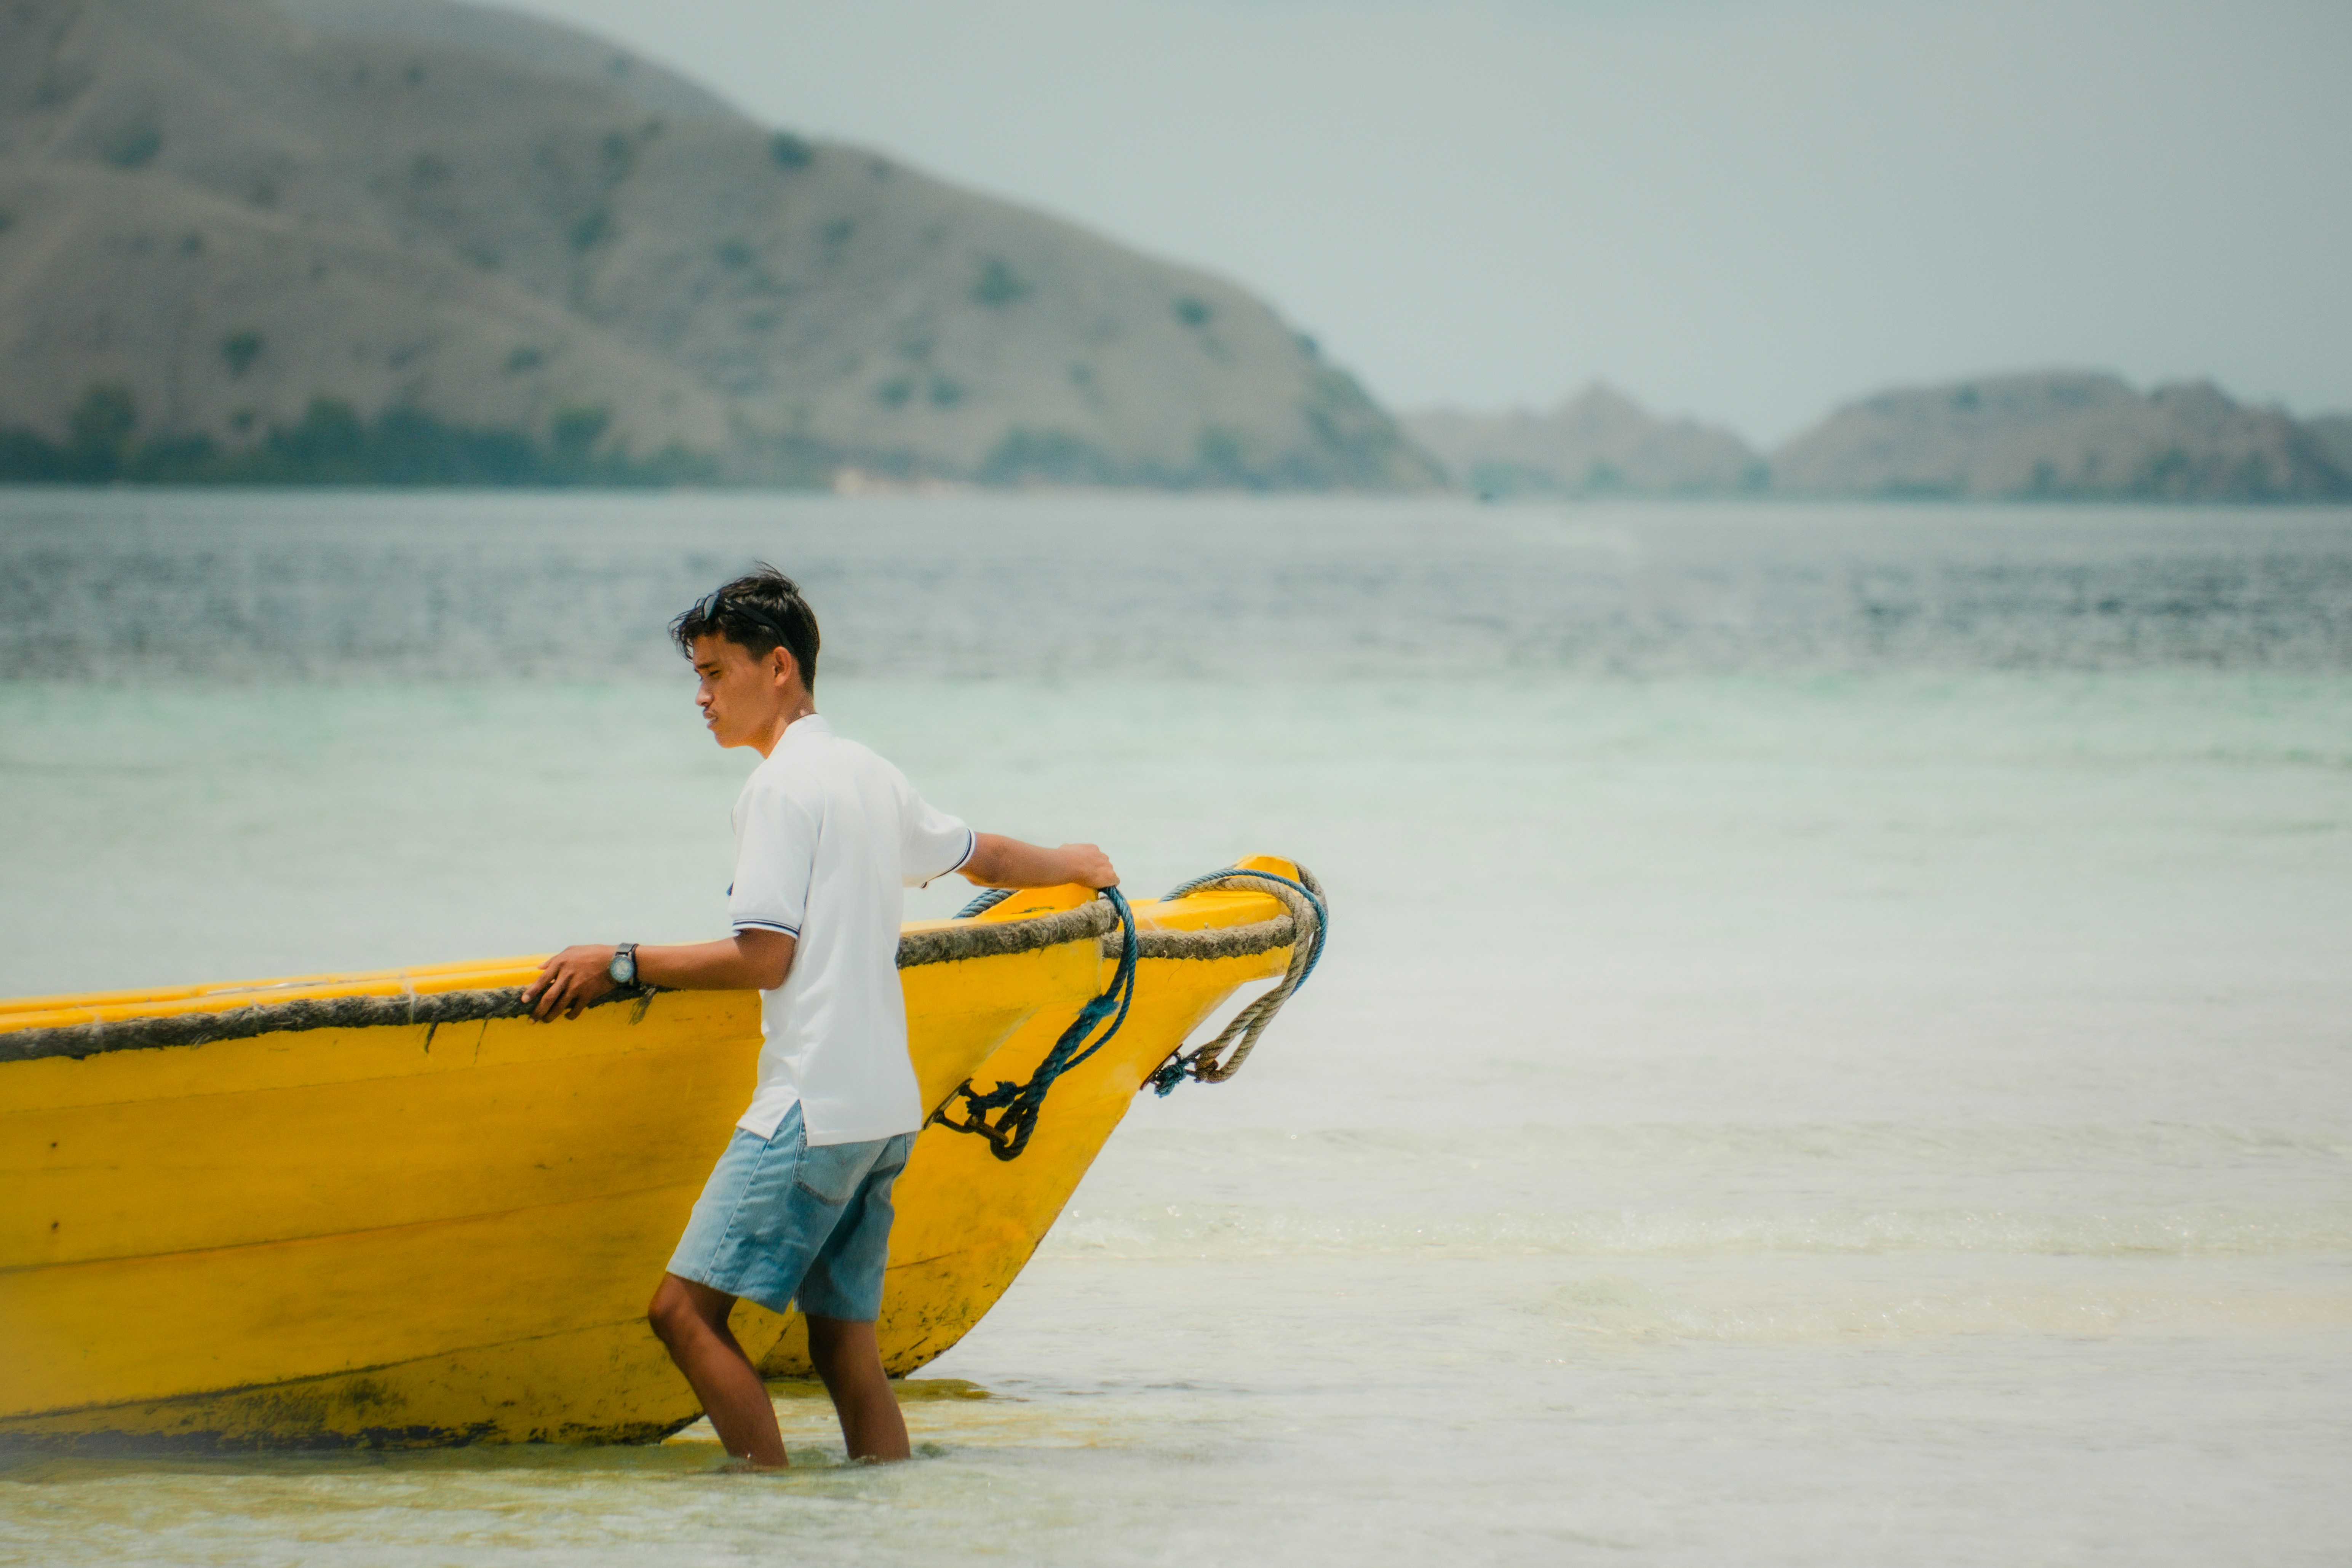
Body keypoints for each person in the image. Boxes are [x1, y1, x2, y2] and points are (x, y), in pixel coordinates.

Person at [521, 567, 1116, 1468]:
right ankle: (871, 1524)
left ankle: (771, 1515)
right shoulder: (867, 772)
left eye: (717, 673)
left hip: (809, 1108)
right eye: (699, 675)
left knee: (681, 1314)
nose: (702, 695)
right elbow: (981, 856)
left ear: (781, 669)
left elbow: (766, 956)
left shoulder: (775, 792)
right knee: (844, 1347)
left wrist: (621, 963)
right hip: (883, 1114)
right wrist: (1074, 859)